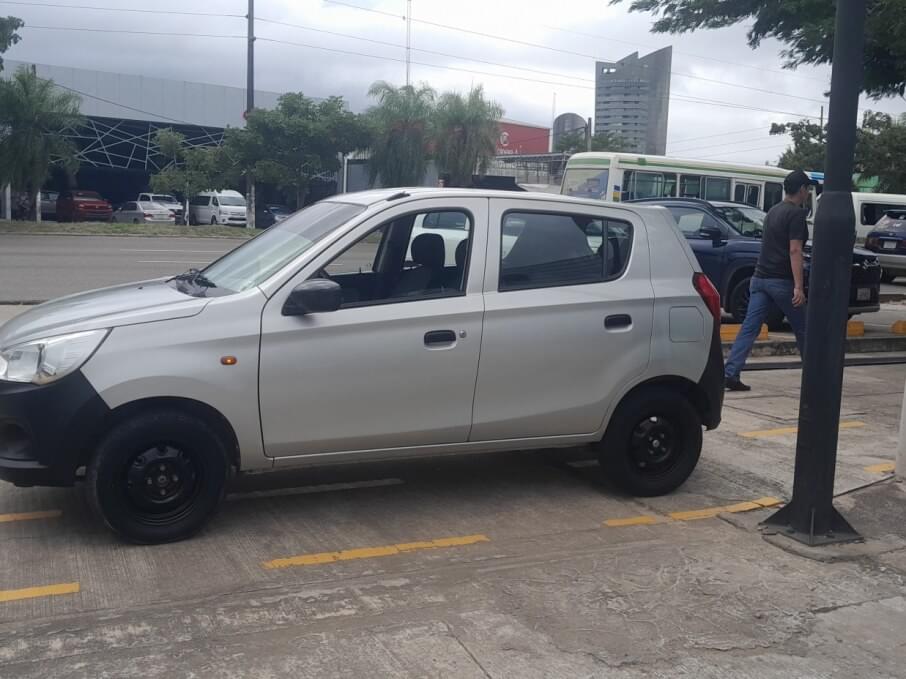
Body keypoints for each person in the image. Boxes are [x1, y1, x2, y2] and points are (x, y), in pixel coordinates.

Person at [724, 170, 811, 391]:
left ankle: (731, 373)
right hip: (781, 281)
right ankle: (814, 375)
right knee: (804, 327)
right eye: (807, 188)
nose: (808, 192)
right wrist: (798, 287)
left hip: (759, 279)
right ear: (801, 190)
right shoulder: (796, 215)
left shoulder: (773, 211)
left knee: (749, 328)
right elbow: (794, 250)